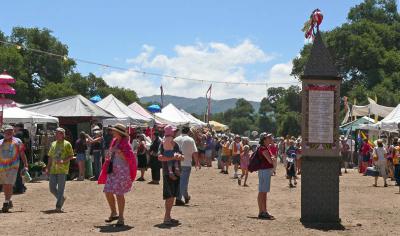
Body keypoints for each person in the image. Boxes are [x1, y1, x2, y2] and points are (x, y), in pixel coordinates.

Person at [98, 123, 137, 227]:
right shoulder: (115, 141)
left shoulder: (126, 144)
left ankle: (121, 217)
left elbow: (130, 159)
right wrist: (110, 155)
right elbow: (112, 154)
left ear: (119, 133)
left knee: (119, 194)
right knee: (107, 191)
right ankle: (114, 212)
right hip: (113, 170)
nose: (112, 132)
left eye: (114, 130)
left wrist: (120, 152)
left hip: (122, 172)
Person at [0, 125, 29, 213]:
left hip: (13, 166)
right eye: (7, 131)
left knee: (9, 183)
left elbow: (22, 154)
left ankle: (6, 202)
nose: (9, 133)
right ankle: (8, 200)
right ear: (4, 132)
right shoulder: (0, 142)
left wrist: (26, 164)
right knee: (5, 184)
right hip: (2, 166)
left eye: (11, 131)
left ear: (13, 132)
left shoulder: (18, 141)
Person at [158, 131, 183, 225]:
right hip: (168, 173)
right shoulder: (163, 143)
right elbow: (160, 157)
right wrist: (172, 158)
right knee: (170, 195)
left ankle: (168, 216)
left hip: (176, 172)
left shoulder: (175, 144)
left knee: (172, 195)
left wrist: (180, 157)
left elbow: (182, 156)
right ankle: (167, 217)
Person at [46, 127, 74, 212]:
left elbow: (71, 155)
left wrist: (63, 161)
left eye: (58, 133)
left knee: (61, 188)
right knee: (52, 188)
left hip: (63, 169)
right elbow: (50, 156)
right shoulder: (53, 144)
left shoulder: (67, 144)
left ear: (62, 134)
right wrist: (48, 167)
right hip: (53, 169)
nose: (56, 134)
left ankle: (58, 206)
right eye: (56, 133)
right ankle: (61, 198)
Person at [174, 126, 198, 205]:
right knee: (184, 181)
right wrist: (197, 162)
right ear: (188, 132)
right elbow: (195, 152)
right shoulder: (190, 140)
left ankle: (186, 196)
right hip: (186, 162)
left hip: (176, 163)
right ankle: (179, 198)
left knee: (180, 181)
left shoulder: (176, 139)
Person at [257, 133, 276, 220]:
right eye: (268, 137)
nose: (270, 138)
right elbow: (270, 160)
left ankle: (262, 211)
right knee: (263, 192)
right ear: (264, 139)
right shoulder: (264, 148)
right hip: (265, 171)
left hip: (263, 171)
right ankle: (263, 211)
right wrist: (273, 159)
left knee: (262, 192)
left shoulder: (264, 148)